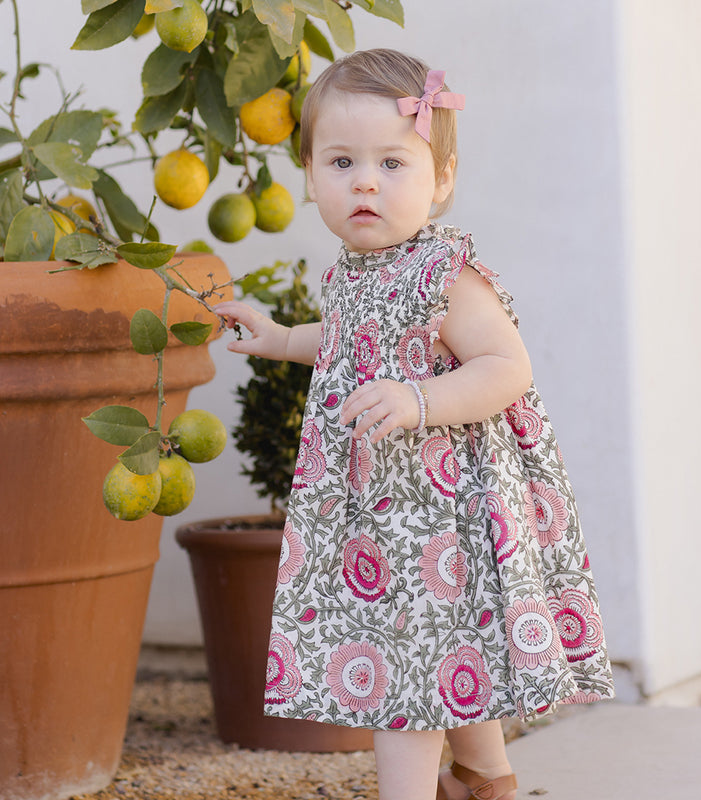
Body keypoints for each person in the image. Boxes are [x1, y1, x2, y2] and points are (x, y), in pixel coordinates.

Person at [214, 48, 614, 800]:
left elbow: (507, 366)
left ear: (442, 181)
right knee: (440, 651)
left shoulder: (445, 275)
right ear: (310, 176)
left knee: (407, 667)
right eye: (341, 162)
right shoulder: (351, 272)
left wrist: (419, 399)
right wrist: (279, 337)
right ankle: (484, 776)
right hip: (380, 513)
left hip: (443, 515)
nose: (365, 181)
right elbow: (344, 342)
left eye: (392, 163)